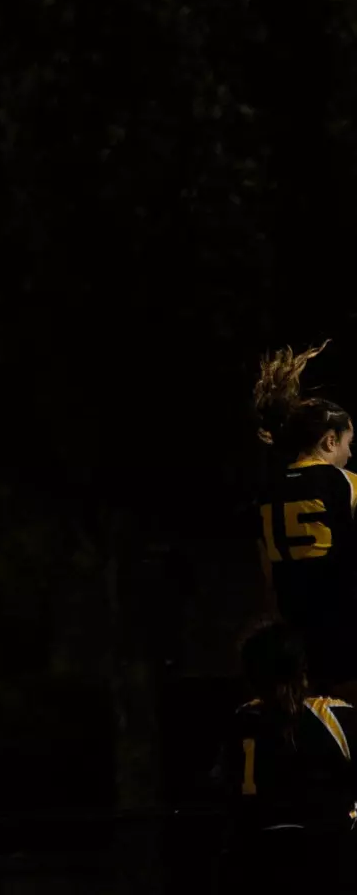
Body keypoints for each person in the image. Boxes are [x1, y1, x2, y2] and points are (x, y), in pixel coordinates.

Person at [216, 621, 357, 890]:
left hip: (256, 861)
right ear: (302, 668)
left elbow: (227, 787)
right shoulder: (334, 717)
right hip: (328, 858)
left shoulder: (243, 720)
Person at [253, 341, 357, 698]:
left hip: (295, 636)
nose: (350, 453)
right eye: (348, 443)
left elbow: (267, 569)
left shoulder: (267, 488)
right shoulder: (343, 482)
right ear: (329, 441)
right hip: (342, 629)